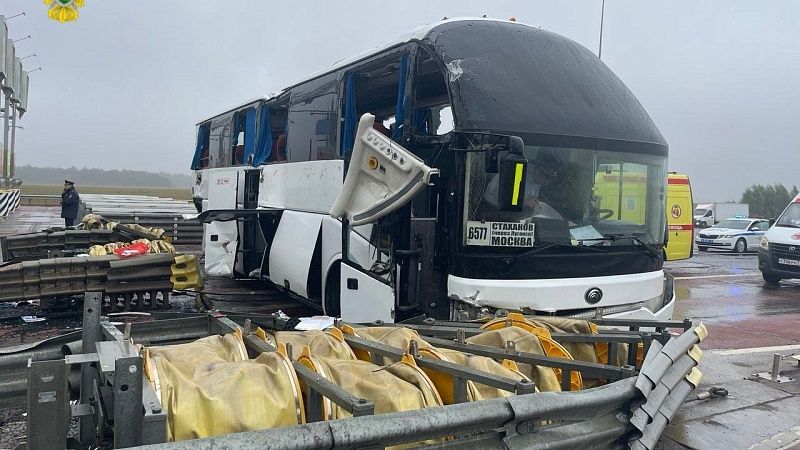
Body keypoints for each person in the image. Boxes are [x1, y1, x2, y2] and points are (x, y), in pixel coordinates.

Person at [483, 152, 563, 219]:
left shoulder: (535, 181)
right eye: (546, 177)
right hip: (492, 212)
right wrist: (522, 202)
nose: (546, 182)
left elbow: (528, 197)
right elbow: (497, 195)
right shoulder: (517, 173)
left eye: (549, 179)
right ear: (538, 170)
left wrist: (534, 202)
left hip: (516, 216)